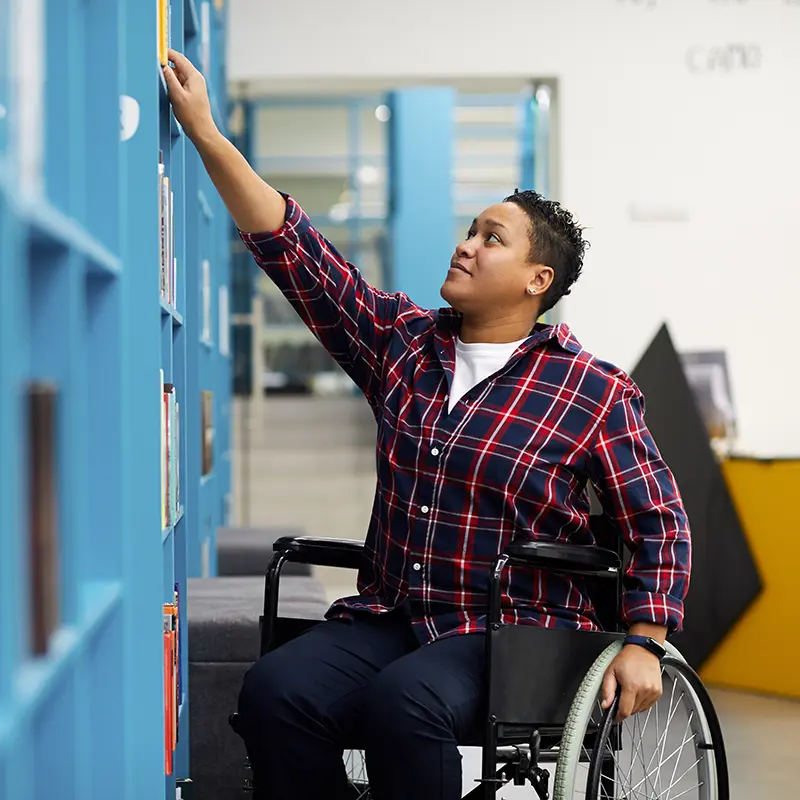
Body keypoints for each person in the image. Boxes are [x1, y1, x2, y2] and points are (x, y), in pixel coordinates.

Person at [164, 50, 691, 800]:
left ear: (538, 281)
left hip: (513, 634)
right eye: (470, 230)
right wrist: (207, 133)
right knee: (277, 692)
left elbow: (659, 520)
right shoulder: (404, 344)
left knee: (403, 705)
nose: (466, 244)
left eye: (491, 238)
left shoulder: (592, 391)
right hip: (395, 613)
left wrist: (646, 639)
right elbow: (298, 255)